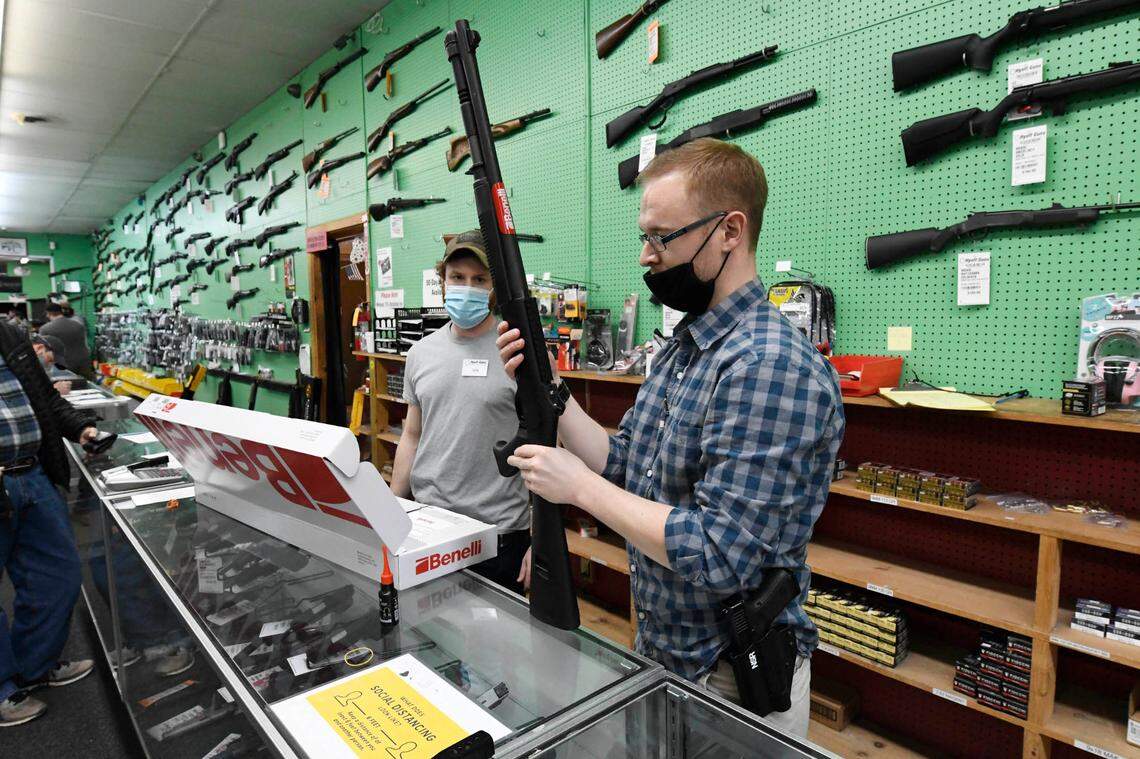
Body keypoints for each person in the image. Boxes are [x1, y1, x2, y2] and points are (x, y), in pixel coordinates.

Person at [496, 138, 844, 737]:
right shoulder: (685, 348)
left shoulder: (768, 363)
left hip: (731, 677)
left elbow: (720, 553)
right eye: (644, 237)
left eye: (662, 237)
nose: (645, 257)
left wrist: (576, 488)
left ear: (730, 232)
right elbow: (629, 464)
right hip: (664, 654)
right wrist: (554, 393)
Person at [390, 231, 531, 594]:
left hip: (499, 533)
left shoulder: (518, 351)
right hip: (431, 525)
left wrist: (542, 538)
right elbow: (412, 434)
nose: (467, 287)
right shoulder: (421, 353)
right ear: (443, 282)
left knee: (497, 643)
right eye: (457, 278)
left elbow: (548, 448)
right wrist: (391, 509)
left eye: (479, 279)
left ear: (493, 287)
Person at [0, 317, 100, 727]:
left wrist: (81, 428)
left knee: (57, 575)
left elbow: (45, 399)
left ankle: (34, 666)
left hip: (32, 475)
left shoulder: (9, 335)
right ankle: (4, 689)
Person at [38, 302, 91, 379]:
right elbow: (85, 344)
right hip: (83, 363)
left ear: (48, 313)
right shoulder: (78, 325)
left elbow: (45, 352)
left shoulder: (45, 329)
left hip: (64, 368)